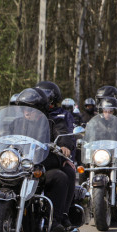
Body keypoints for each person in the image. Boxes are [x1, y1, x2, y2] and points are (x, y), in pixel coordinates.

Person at [12, 88, 77, 232]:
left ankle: (54, 220)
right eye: (24, 109)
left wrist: (64, 145)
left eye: (31, 109)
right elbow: (2, 135)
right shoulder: (16, 123)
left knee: (60, 177)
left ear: (41, 109)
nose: (26, 112)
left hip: (41, 166)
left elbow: (63, 134)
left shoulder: (53, 122)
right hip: (17, 167)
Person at [37, 80, 78, 220]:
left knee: (68, 172)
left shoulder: (60, 116)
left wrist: (65, 150)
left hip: (53, 156)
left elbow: (66, 134)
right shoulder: (29, 116)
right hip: (25, 161)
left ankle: (63, 215)